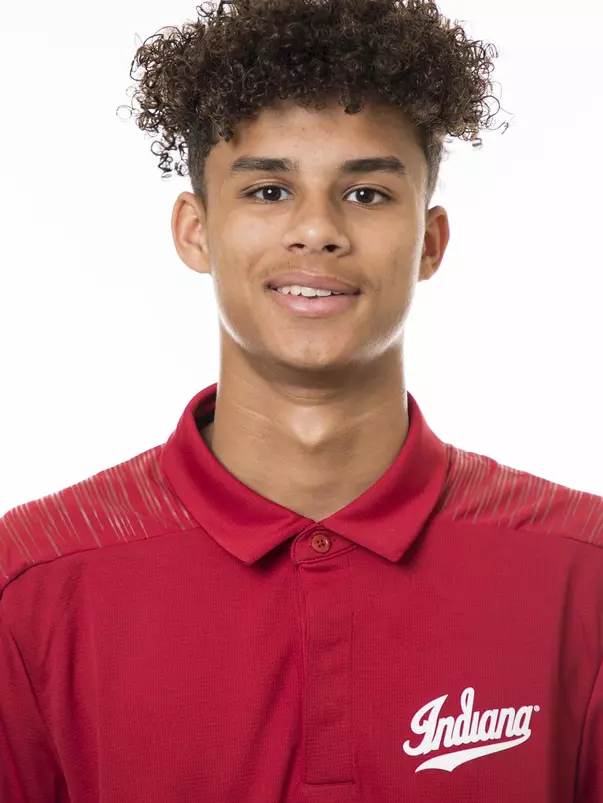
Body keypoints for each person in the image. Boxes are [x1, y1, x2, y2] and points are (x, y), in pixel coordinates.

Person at [1, 0, 601, 800]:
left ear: (429, 242)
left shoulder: (578, 572)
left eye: (366, 195)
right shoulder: (34, 581)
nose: (315, 231)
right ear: (195, 231)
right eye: (267, 190)